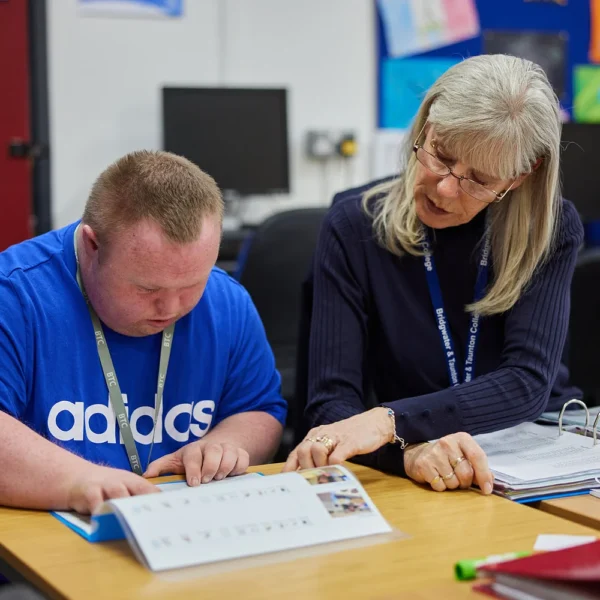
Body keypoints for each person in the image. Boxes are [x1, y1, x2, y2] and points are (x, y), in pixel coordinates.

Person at [284, 55, 583, 494]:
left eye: (478, 180)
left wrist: (390, 421)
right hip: (422, 469)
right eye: (440, 156)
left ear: (521, 176)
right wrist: (407, 451)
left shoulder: (548, 230)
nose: (444, 189)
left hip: (534, 456)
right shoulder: (353, 227)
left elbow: (528, 382)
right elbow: (331, 406)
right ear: (425, 126)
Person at [0, 151, 286, 513]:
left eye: (192, 284)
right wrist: (78, 481)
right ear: (92, 245)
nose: (171, 308)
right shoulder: (14, 295)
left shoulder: (227, 300)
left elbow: (259, 410)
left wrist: (227, 444)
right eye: (148, 289)